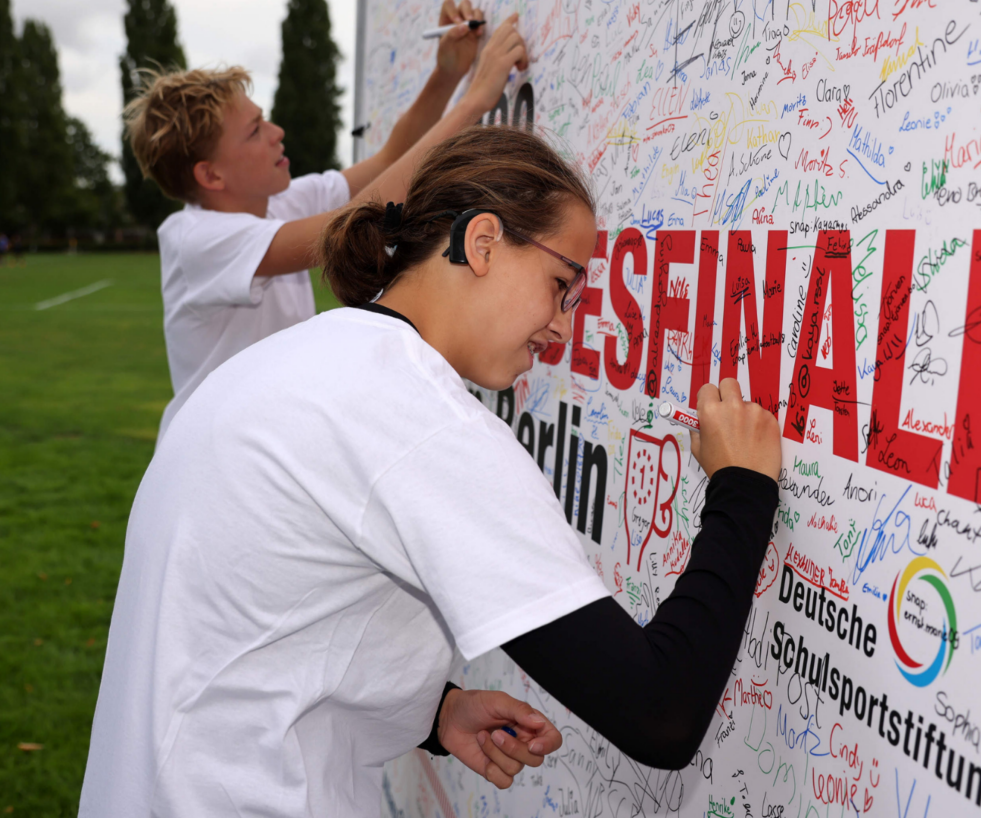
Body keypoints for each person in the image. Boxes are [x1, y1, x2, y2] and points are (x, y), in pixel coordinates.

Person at [79, 126, 782, 817]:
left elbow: (268, 624)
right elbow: (660, 711)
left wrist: (434, 712)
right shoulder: (413, 415)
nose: (565, 327)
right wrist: (742, 487)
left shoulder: (304, 359)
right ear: (482, 243)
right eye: (562, 284)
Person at [123, 0, 529, 441]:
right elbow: (361, 216)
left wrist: (448, 74)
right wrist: (475, 100)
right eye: (255, 130)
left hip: (264, 438)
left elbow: (391, 159)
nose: (277, 132)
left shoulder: (280, 204)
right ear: (211, 175)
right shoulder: (196, 239)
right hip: (214, 451)